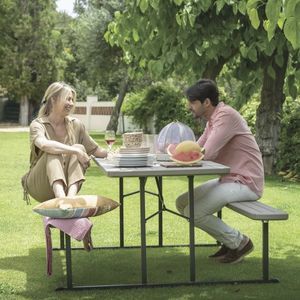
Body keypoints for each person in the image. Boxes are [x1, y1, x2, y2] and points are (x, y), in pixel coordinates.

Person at [176, 79, 264, 264]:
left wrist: (182, 157)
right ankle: (229, 241)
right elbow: (197, 148)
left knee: (194, 212)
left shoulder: (225, 116)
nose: (189, 106)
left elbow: (206, 153)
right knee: (182, 202)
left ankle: (239, 242)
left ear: (206, 102)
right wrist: (175, 155)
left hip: (246, 182)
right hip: (229, 179)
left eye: (193, 102)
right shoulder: (212, 120)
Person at [22, 82, 107, 203]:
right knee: (54, 150)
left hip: (68, 182)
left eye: (72, 100)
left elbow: (96, 150)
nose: (71, 104)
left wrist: (117, 154)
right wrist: (76, 151)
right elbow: (44, 145)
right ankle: (61, 198)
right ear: (53, 99)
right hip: (40, 184)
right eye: (68, 99)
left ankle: (70, 199)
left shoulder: (76, 124)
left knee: (78, 146)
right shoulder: (38, 124)